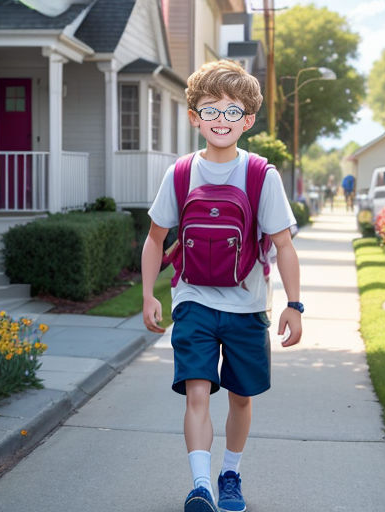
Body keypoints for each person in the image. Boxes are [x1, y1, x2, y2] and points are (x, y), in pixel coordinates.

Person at [142, 59, 302, 512]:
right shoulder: (179, 174)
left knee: (241, 398)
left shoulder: (260, 176)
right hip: (192, 299)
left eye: (233, 112)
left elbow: (283, 245)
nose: (221, 120)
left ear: (247, 121)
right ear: (194, 117)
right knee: (196, 391)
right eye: (210, 110)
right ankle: (201, 486)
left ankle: (229, 473)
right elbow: (156, 239)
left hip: (247, 305)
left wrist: (295, 303)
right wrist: (149, 293)